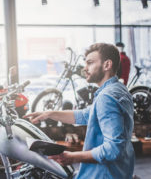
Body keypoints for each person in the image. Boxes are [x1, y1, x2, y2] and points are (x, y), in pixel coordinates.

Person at [24, 43, 135, 179]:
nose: (85, 69)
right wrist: (49, 114)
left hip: (103, 174)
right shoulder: (118, 89)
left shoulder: (107, 97)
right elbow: (86, 115)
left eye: (90, 63)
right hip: (121, 170)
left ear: (107, 65)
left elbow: (113, 149)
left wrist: (73, 157)